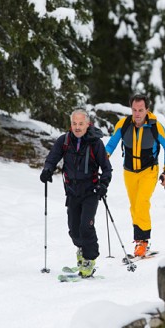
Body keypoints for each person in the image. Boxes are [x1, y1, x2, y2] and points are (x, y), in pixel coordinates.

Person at [40, 108, 112, 278]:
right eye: (74, 123)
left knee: (86, 226)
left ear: (88, 124)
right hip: (72, 191)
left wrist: (103, 185)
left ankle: (89, 259)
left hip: (91, 191)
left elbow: (107, 168)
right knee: (73, 229)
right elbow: (53, 157)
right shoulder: (64, 141)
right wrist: (47, 170)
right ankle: (82, 249)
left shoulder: (95, 143)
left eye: (81, 123)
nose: (77, 127)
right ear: (70, 124)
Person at [105, 93, 165, 257]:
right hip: (129, 171)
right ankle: (139, 242)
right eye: (134, 110)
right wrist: (102, 160)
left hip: (149, 171)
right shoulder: (124, 124)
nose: (137, 114)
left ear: (147, 110)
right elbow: (111, 144)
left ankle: (143, 241)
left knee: (142, 202)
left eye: (140, 110)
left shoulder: (156, 126)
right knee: (134, 206)